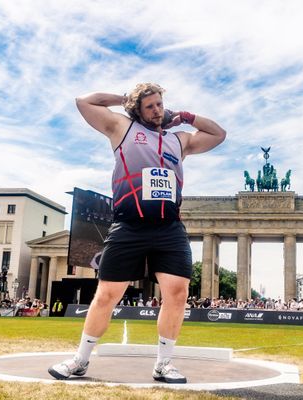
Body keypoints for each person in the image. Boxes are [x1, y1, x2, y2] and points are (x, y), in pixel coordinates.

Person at [48, 83, 226, 384]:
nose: (157, 110)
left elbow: (218, 134)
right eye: (150, 106)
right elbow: (84, 102)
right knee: (106, 295)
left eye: (159, 104)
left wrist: (185, 116)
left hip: (168, 227)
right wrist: (126, 100)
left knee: (178, 293)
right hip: (129, 225)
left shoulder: (178, 141)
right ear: (138, 110)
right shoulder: (122, 128)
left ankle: (164, 364)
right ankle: (79, 361)